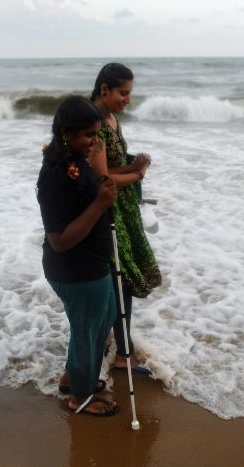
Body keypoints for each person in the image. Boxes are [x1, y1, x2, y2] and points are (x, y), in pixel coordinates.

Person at [37, 95, 120, 416]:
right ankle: (81, 397)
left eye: (96, 133)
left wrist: (101, 183)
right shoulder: (55, 176)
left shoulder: (75, 162)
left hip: (92, 263)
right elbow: (59, 240)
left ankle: (74, 377)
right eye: (87, 135)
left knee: (102, 319)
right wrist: (100, 203)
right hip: (75, 268)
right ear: (66, 133)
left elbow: (87, 195)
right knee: (88, 330)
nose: (93, 141)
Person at [88, 63, 162, 374]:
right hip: (109, 211)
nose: (127, 99)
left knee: (122, 280)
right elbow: (101, 177)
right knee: (121, 280)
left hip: (125, 207)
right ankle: (122, 353)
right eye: (123, 93)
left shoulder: (112, 119)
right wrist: (136, 173)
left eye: (130, 93)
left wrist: (135, 163)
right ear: (105, 89)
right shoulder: (94, 124)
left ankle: (116, 344)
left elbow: (114, 165)